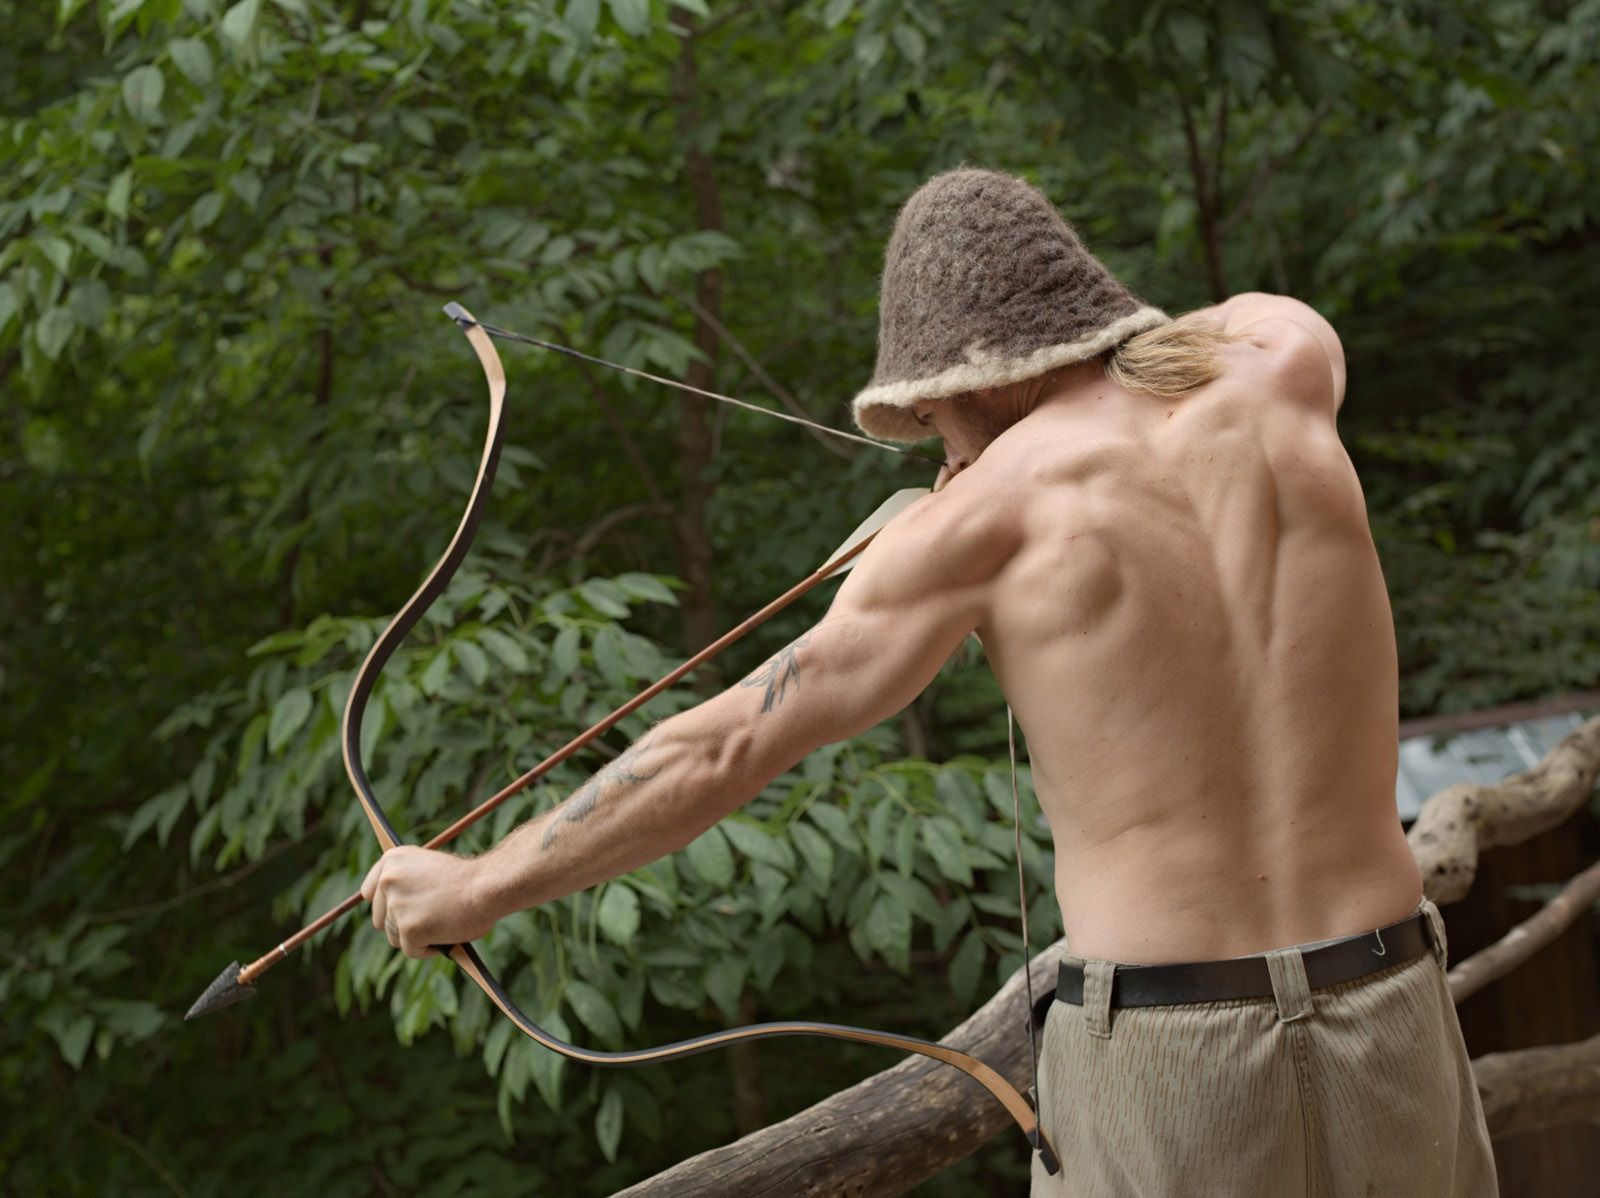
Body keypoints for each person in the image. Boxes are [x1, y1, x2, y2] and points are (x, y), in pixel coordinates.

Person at [361, 168, 1497, 1196]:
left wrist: (475, 888)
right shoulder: (1283, 367)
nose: (929, 443)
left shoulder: (979, 525)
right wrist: (994, 449)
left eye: (927, 415)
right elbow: (1194, 344)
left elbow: (721, 747)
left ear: (961, 377)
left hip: (1174, 1065)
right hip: (1389, 1010)